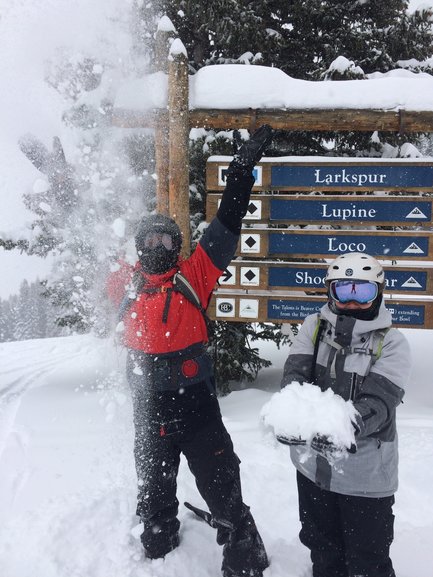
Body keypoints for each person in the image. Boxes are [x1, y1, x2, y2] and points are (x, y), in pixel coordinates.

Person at [113, 125, 273, 577]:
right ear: (137, 250)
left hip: (195, 401)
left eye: (165, 241)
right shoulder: (125, 284)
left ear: (178, 247)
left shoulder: (193, 275)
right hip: (148, 405)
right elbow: (81, 234)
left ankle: (243, 546)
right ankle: (159, 534)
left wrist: (240, 173)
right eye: (147, 242)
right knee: (154, 488)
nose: (156, 248)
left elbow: (227, 225)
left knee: (221, 481)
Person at [279, 252, 412, 577]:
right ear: (330, 291)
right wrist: (290, 414)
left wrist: (340, 427)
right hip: (313, 470)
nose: (352, 301)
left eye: (362, 292)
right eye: (344, 291)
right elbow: (295, 378)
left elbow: (378, 405)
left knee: (368, 559)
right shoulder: (314, 327)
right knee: (322, 549)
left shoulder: (392, 343)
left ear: (378, 292)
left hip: (365, 477)